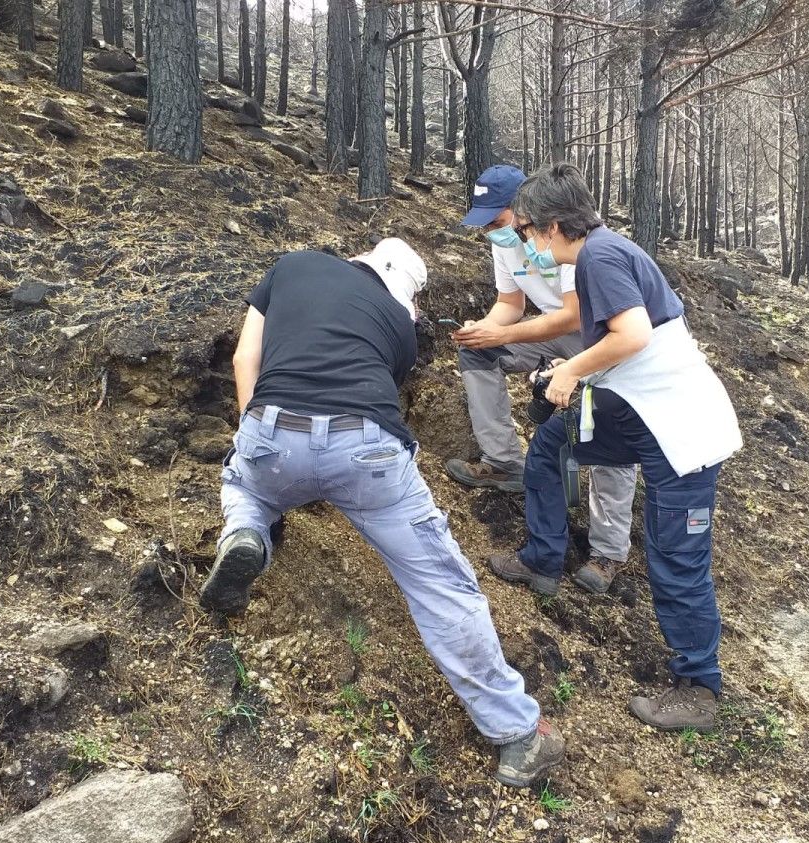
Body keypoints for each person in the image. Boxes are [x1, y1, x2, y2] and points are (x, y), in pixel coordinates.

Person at [200, 238, 564, 787]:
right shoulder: (399, 325)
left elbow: (243, 357)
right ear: (402, 293)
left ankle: (249, 529)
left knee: (243, 483)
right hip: (366, 452)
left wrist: (255, 431)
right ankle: (516, 735)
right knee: (440, 584)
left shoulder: (291, 267)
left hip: (272, 431)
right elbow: (371, 386)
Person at [487, 165, 743, 732]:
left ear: (553, 227)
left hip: (682, 431)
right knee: (551, 448)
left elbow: (634, 335)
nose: (525, 243)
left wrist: (570, 370)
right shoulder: (596, 256)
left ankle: (699, 688)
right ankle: (542, 558)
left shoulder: (600, 257)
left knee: (676, 561)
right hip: (634, 411)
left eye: (527, 231)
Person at [446, 164, 637, 595]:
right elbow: (509, 303)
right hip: (545, 331)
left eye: (498, 220)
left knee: (606, 421)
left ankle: (607, 552)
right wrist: (484, 330)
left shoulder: (564, 239)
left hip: (595, 336)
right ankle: (503, 463)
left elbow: (571, 316)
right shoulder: (505, 244)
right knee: (478, 353)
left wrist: (507, 333)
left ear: (525, 210)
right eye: (486, 223)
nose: (493, 231)